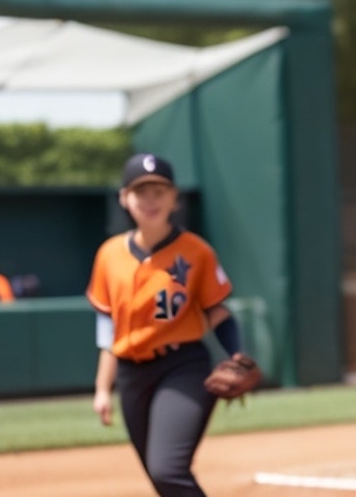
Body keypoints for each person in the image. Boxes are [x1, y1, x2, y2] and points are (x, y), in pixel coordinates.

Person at [86, 152, 249, 497]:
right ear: (124, 198)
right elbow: (108, 326)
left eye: (159, 191)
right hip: (131, 374)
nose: (150, 200)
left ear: (175, 198)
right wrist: (103, 388)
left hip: (182, 366)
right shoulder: (109, 254)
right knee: (160, 477)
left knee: (168, 470)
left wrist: (237, 354)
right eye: (141, 191)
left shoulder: (196, 251)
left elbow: (216, 311)